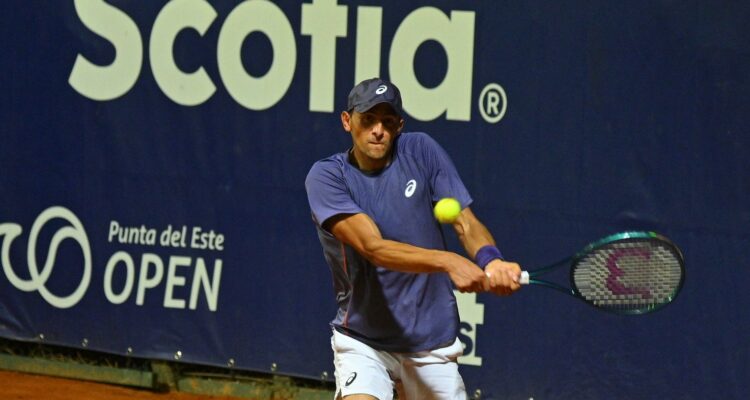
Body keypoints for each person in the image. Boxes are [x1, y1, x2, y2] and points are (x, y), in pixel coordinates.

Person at [305, 78, 522, 400]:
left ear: (399, 125)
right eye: (368, 120)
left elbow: (465, 221)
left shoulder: (421, 150)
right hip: (363, 338)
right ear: (347, 121)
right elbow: (373, 247)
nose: (378, 130)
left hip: (430, 342)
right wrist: (448, 261)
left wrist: (492, 259)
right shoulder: (327, 177)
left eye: (387, 121)